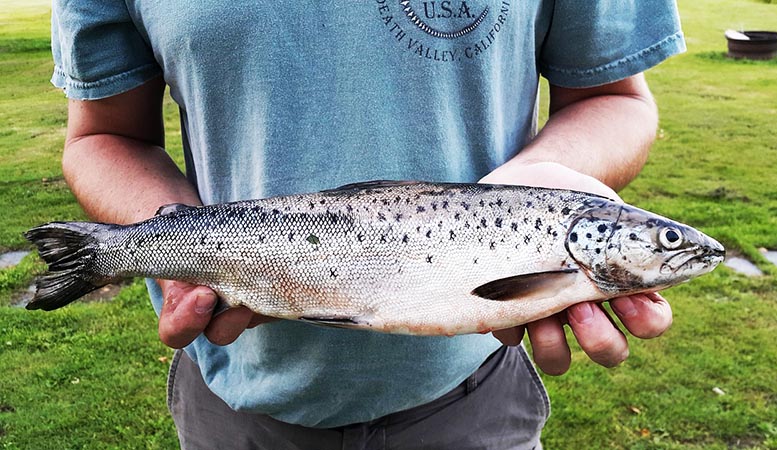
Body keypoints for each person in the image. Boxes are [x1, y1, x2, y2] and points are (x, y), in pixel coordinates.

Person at [51, 1, 683, 448]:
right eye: (667, 240)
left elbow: (614, 97)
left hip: (477, 391)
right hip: (233, 404)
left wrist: (541, 185)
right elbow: (103, 135)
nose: (677, 247)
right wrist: (176, 250)